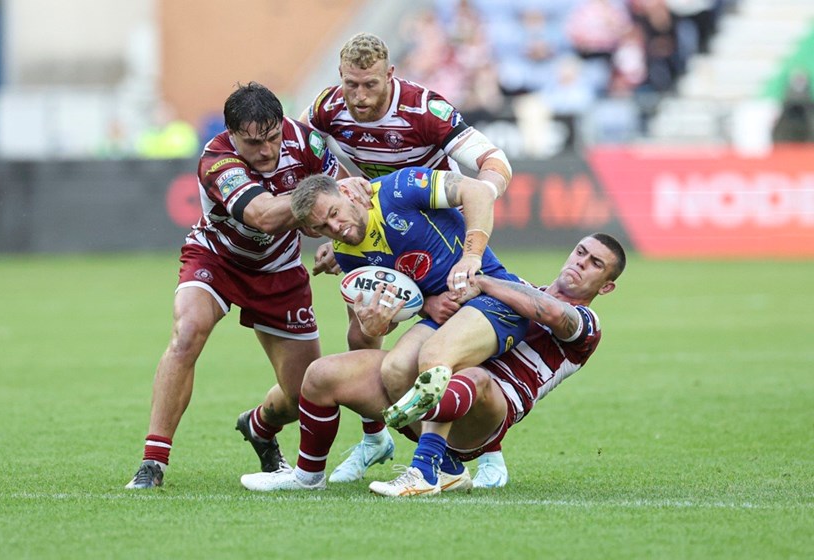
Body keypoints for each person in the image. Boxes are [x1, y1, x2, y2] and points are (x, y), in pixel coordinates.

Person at [237, 233, 626, 495]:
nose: (581, 263)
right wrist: (349, 256)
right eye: (581, 252)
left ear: (606, 287)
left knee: (471, 375)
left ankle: (423, 472)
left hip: (483, 417)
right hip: (424, 389)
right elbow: (433, 281)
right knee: (323, 374)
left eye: (595, 264)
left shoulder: (588, 326)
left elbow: (553, 315)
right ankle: (308, 477)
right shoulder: (515, 285)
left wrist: (485, 283)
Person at [300, 31, 516, 487]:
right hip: (367, 232)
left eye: (370, 85)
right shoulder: (325, 107)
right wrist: (336, 207)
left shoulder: (424, 110)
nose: (359, 97)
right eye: (350, 85)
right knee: (365, 332)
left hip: (428, 222)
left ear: (390, 76)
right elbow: (303, 156)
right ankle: (376, 436)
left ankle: (484, 451)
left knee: (448, 337)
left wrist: (470, 213)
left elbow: (496, 164)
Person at [125, 81, 357, 489]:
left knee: (302, 394)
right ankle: (153, 462)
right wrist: (318, 198)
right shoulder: (217, 160)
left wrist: (341, 242)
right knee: (187, 332)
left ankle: (260, 425)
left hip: (281, 271)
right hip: (218, 259)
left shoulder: (307, 143)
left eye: (272, 138)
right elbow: (264, 216)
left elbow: (349, 193)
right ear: (232, 136)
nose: (266, 150)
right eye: (253, 143)